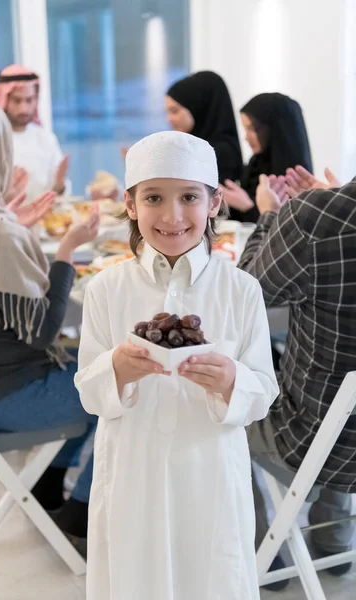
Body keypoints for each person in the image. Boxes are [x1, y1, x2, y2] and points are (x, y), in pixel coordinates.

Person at [75, 130, 279, 599]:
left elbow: (263, 392)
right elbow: (88, 389)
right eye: (153, 198)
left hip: (209, 471)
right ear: (130, 205)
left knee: (210, 575)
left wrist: (232, 381)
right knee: (133, 576)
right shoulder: (106, 289)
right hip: (131, 470)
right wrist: (118, 371)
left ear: (214, 204)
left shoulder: (241, 290)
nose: (172, 215)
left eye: (189, 196)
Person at [0, 91, 100, 555]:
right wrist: (65, 253)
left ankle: (49, 480)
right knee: (128, 390)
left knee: (95, 363)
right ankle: (79, 512)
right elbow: (42, 332)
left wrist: (11, 227)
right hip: (8, 398)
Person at [238, 173, 356, 590]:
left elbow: (245, 296)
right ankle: (334, 537)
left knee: (219, 403)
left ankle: (258, 553)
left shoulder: (314, 218)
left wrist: (271, 216)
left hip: (307, 439)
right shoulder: (320, 214)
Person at [223, 92, 313, 223]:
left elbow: (288, 228)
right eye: (245, 129)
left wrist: (248, 206)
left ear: (275, 130)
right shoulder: (256, 163)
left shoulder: (295, 178)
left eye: (253, 129)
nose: (246, 138)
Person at [0, 64, 70, 203]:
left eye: (29, 100)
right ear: (3, 99)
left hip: (43, 221)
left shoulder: (46, 139)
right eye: (17, 100)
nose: (24, 109)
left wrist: (59, 187)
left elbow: (58, 192)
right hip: (3, 222)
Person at [165, 71, 243, 185]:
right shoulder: (193, 148)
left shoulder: (219, 153)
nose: (169, 119)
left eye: (174, 111)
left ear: (198, 108)